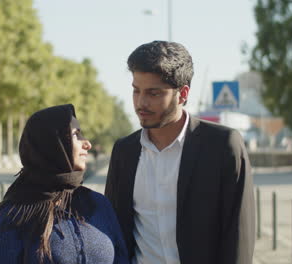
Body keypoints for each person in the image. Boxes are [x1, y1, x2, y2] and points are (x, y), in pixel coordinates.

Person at [105, 41, 255, 264]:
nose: (140, 103)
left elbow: (239, 236)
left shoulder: (223, 146)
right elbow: (115, 231)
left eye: (154, 93)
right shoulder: (124, 151)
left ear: (182, 94)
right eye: (136, 91)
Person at [0, 104, 129, 264]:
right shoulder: (12, 216)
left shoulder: (98, 204)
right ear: (52, 144)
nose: (87, 143)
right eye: (76, 135)